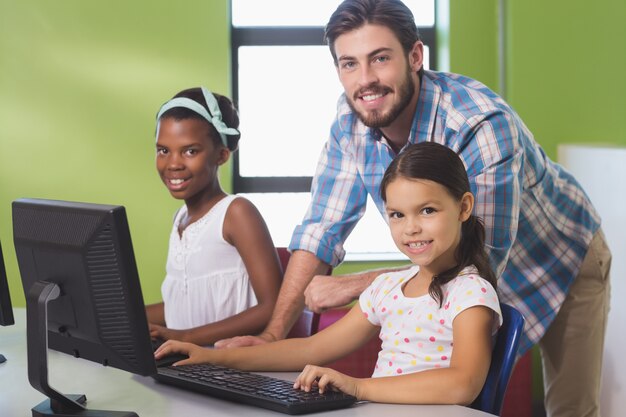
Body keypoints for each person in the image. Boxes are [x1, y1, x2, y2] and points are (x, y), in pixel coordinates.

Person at [216, 1, 612, 416]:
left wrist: (356, 285)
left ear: (416, 56)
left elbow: (474, 259)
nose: (365, 80)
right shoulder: (352, 118)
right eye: (349, 64)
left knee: (571, 409)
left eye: (380, 59)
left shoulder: (480, 125)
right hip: (467, 274)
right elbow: (321, 229)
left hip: (562, 255)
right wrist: (273, 334)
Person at [156, 142, 502, 405]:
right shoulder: (388, 288)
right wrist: (211, 356)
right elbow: (310, 349)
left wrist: (357, 386)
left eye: (427, 210)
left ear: (464, 207)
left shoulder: (470, 292)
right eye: (397, 215)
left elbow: (462, 383)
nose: (410, 228)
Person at [145, 87, 282, 346]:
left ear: (221, 155)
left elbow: (273, 305)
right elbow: (185, 300)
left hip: (228, 363)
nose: (173, 163)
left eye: (190, 151)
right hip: (185, 360)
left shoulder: (236, 213)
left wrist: (185, 338)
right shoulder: (180, 218)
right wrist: (121, 315)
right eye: (163, 150)